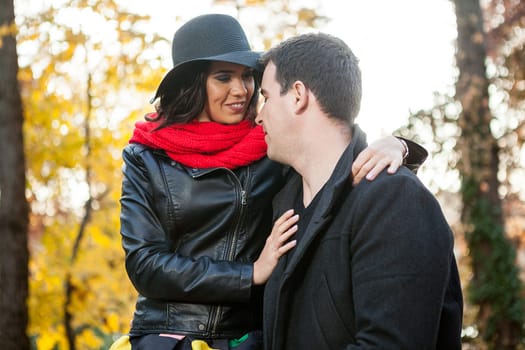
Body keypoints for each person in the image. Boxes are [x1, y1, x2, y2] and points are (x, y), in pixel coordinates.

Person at [111, 14, 427, 350]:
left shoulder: (273, 147)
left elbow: (332, 155)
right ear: (192, 83)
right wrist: (251, 273)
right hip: (170, 335)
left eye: (247, 76)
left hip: (252, 336)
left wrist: (402, 146)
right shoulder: (146, 157)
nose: (242, 91)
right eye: (223, 78)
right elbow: (144, 264)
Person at [256, 33, 463, 350]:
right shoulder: (284, 207)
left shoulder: (394, 201)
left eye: (266, 97)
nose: (259, 115)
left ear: (298, 95)